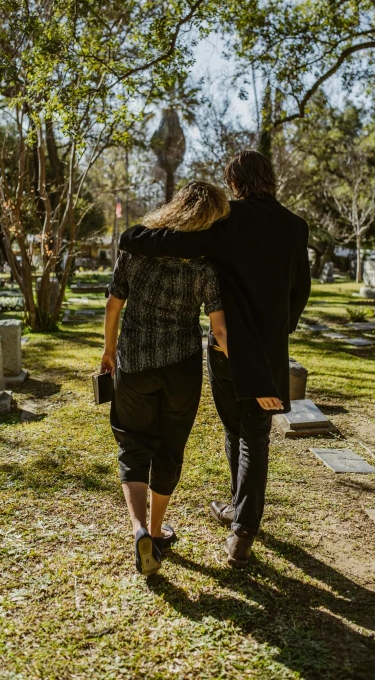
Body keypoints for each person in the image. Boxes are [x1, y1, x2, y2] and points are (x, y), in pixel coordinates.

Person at [119, 150, 311, 566]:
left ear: (235, 182)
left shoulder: (228, 220)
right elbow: (301, 290)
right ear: (271, 179)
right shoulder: (296, 227)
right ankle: (242, 528)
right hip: (269, 352)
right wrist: (281, 327)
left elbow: (170, 241)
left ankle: (240, 519)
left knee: (233, 429)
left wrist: (131, 236)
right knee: (255, 436)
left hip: (226, 348)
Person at [101, 181, 230, 576]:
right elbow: (220, 331)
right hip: (182, 367)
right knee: (170, 448)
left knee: (134, 444)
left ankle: (138, 528)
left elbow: (113, 305)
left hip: (135, 363)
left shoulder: (135, 252)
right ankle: (157, 532)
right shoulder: (206, 267)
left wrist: (109, 350)